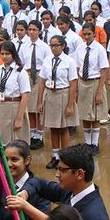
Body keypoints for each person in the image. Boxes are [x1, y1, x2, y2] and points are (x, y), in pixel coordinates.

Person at [37, 35, 79, 169]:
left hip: (63, 93)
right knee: (53, 127)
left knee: (63, 127)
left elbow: (73, 84)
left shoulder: (69, 61)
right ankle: (55, 156)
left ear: (63, 46)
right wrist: (39, 102)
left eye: (56, 45)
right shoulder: (47, 60)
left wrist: (70, 104)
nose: (53, 48)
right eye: (52, 45)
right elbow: (42, 82)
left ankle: (64, 157)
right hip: (50, 94)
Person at [74, 23, 109, 153]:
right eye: (84, 34)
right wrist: (77, 87)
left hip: (95, 81)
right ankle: (87, 142)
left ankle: (95, 143)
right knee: (84, 114)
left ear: (94, 34)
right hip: (83, 82)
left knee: (95, 115)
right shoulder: (80, 48)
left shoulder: (99, 49)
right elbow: (77, 67)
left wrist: (100, 91)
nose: (87, 36)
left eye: (89, 34)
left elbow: (104, 70)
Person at [0, 41, 31, 146]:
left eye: (7, 54)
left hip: (14, 106)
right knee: (0, 139)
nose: (4, 56)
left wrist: (19, 118)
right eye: (2, 54)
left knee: (14, 141)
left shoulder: (20, 71)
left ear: (13, 54)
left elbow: (25, 95)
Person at [21, 21, 52, 150]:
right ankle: (32, 135)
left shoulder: (44, 47)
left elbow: (48, 63)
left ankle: (39, 136)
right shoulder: (24, 46)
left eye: (34, 29)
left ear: (39, 31)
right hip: (28, 75)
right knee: (30, 108)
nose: (31, 32)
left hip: (40, 75)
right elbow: (21, 62)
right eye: (30, 29)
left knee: (39, 107)